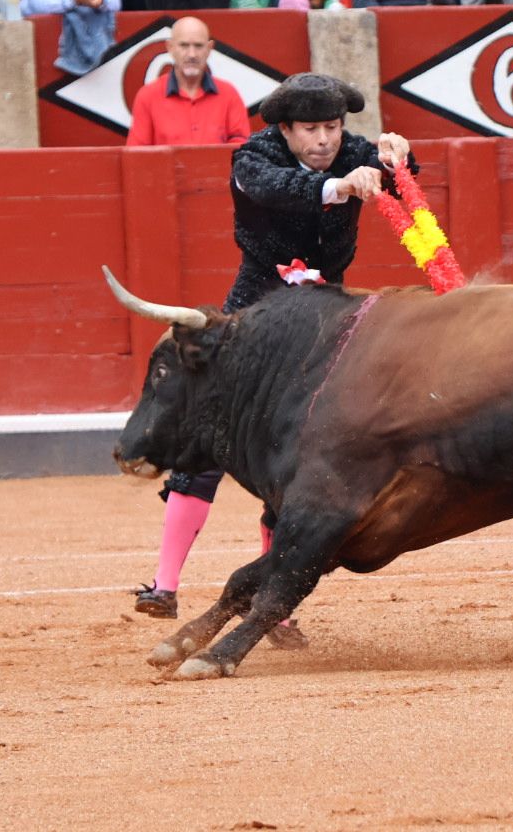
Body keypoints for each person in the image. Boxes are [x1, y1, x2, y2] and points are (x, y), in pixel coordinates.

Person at [132, 71, 417, 647]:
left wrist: (398, 155)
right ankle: (164, 584)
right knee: (208, 440)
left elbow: (401, 177)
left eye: (333, 128)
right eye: (311, 129)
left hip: (321, 326)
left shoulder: (355, 150)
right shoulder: (252, 157)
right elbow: (280, 189)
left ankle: (277, 609)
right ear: (285, 128)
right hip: (253, 317)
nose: (325, 140)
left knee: (295, 460)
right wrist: (343, 185)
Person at [126, 16, 249, 147]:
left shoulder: (229, 94)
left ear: (209, 49)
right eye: (184, 45)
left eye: (198, 46)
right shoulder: (147, 96)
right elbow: (137, 157)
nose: (192, 54)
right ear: (170, 48)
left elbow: (243, 150)